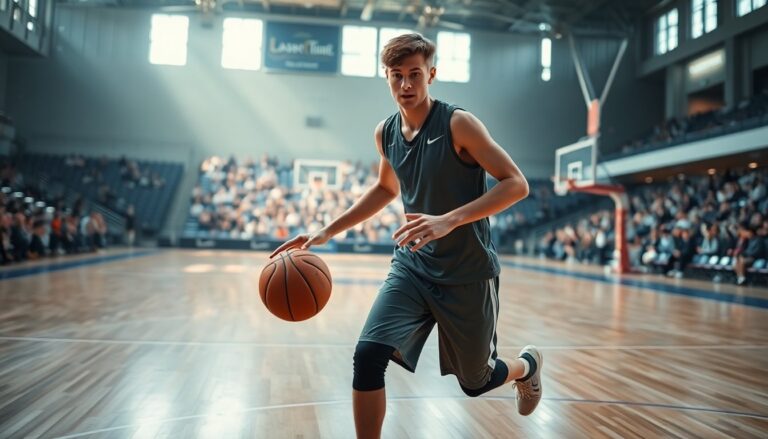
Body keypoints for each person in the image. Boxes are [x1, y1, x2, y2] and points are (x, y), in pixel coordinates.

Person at [270, 33, 540, 438]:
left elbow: (516, 184)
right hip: (412, 267)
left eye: (415, 74)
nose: (406, 85)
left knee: (476, 381)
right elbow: (384, 189)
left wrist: (449, 219)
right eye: (397, 76)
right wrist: (326, 230)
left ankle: (527, 366)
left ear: (431, 74)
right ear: (387, 78)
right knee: (367, 355)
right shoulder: (386, 133)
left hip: (466, 271)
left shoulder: (458, 124)